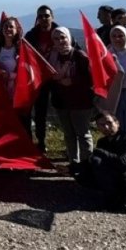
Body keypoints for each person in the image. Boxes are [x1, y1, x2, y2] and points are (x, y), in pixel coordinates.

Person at [47, 27, 94, 176]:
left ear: (69, 38)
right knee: (69, 134)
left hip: (81, 102)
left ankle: (88, 164)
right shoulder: (52, 58)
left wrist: (73, 81)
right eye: (56, 39)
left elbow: (90, 78)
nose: (60, 41)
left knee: (83, 134)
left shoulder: (80, 56)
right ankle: (74, 163)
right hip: (61, 102)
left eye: (63, 37)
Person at [23, 5, 59, 151]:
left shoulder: (61, 33)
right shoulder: (31, 36)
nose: (44, 19)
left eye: (46, 15)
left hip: (58, 79)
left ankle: (72, 146)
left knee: (64, 112)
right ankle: (41, 142)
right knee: (40, 113)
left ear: (52, 17)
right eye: (41, 16)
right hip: (39, 80)